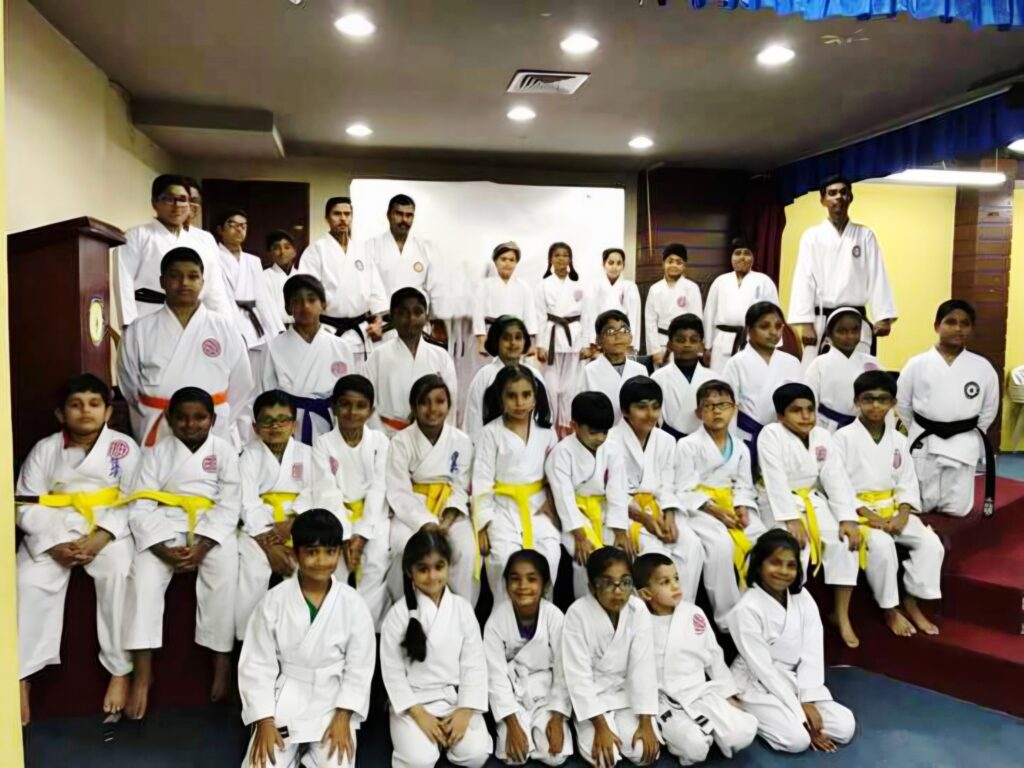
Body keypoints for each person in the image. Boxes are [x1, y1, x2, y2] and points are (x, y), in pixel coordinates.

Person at [15, 374, 141, 725]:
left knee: (119, 574)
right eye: (75, 405)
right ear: (61, 413)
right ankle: (21, 677)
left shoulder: (124, 447)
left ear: (108, 412)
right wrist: (55, 542)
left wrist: (103, 535)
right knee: (25, 581)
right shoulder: (45, 449)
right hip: (55, 528)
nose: (85, 411)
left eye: (94, 404)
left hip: (107, 529)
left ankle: (119, 670)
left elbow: (135, 500)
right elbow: (24, 504)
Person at [122, 387, 241, 719]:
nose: (191, 424)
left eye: (199, 417)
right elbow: (141, 505)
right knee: (142, 577)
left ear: (212, 420)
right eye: (183, 418)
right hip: (165, 523)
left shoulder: (225, 451)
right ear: (169, 420)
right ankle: (142, 673)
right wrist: (162, 548)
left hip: (210, 524)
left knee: (226, 570)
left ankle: (221, 661)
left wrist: (203, 545)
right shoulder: (155, 454)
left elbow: (230, 505)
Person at [238, 509, 376, 768]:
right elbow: (257, 664)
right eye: (312, 552)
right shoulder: (274, 601)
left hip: (333, 701)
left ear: (339, 553)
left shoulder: (353, 603)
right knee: (260, 765)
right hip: (286, 698)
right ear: (296, 552)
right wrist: (264, 721)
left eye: (330, 552)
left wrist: (344, 714)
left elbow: (360, 666)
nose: (321, 561)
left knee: (338, 763)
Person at [835, 371, 944, 638]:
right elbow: (837, 484)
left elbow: (907, 481)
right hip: (860, 512)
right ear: (856, 401)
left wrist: (903, 514)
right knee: (883, 547)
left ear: (893, 403)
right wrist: (870, 516)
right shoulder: (842, 438)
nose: (875, 406)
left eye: (882, 400)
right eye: (868, 399)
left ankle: (911, 601)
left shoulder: (899, 440)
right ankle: (890, 608)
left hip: (893, 509)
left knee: (932, 545)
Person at [727, 530, 857, 753]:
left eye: (791, 565)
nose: (783, 571)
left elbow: (812, 653)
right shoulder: (745, 609)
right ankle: (742, 708)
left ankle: (790, 716)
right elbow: (764, 670)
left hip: (791, 679)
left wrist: (807, 700)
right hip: (755, 682)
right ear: (759, 564)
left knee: (845, 726)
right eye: (775, 563)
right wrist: (801, 716)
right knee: (797, 740)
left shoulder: (803, 598)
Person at [757, 383, 864, 648]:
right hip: (778, 503)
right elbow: (774, 479)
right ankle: (789, 620)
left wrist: (847, 518)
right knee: (794, 548)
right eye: (796, 411)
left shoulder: (822, 436)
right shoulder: (770, 434)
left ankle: (841, 614)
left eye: (809, 409)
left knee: (846, 543)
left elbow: (835, 478)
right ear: (781, 416)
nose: (805, 416)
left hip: (812, 500)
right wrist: (790, 518)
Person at [117, 247, 254, 450]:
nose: (184, 283)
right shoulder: (139, 329)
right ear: (162, 282)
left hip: (212, 427)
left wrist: (215, 416)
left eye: (192, 276)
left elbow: (242, 384)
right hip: (158, 427)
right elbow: (129, 385)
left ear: (202, 282)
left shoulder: (224, 327)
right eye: (175, 276)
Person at [380, 528, 493, 768]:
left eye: (439, 567)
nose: (432, 576)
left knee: (476, 754)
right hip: (414, 703)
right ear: (410, 572)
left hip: (454, 699)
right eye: (423, 569)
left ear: (448, 566)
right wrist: (419, 714)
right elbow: (392, 673)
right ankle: (425, 740)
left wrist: (465, 710)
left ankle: (449, 737)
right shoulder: (398, 616)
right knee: (419, 761)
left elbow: (474, 664)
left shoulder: (462, 609)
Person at [633, 553, 758, 764]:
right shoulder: (639, 623)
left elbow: (714, 656)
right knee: (695, 747)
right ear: (646, 594)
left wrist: (728, 694)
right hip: (666, 701)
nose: (675, 586)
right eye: (665, 582)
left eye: (676, 578)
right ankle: (687, 734)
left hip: (701, 693)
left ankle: (709, 729)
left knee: (743, 732)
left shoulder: (694, 613)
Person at [675, 380, 767, 631]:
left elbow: (745, 486)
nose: (717, 411)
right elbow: (683, 489)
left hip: (732, 505)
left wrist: (742, 507)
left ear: (734, 409)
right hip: (701, 509)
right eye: (709, 406)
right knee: (720, 545)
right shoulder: (687, 445)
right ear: (699, 413)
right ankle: (727, 617)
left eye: (723, 405)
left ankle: (757, 607)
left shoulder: (741, 447)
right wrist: (715, 510)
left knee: (761, 538)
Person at [898, 299, 1000, 518]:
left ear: (971, 329)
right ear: (937, 326)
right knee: (921, 505)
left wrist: (970, 433)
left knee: (957, 510)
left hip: (963, 439)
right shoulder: (916, 364)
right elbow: (902, 403)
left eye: (965, 323)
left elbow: (989, 408)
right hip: (925, 438)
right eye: (951, 322)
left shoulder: (982, 367)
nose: (958, 328)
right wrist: (919, 427)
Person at [608, 376, 704, 603]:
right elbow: (610, 490)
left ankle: (682, 607)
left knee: (692, 545)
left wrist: (669, 515)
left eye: (655, 407)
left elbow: (668, 484)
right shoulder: (610, 440)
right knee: (654, 553)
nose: (650, 414)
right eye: (642, 407)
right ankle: (651, 609)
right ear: (625, 411)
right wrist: (644, 518)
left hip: (658, 507)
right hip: (625, 511)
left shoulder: (666, 440)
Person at [561, 547, 660, 767]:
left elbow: (643, 668)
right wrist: (601, 727)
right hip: (592, 698)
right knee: (606, 759)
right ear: (592, 587)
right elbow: (578, 677)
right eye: (607, 583)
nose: (618, 591)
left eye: (625, 582)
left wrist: (646, 722)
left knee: (644, 753)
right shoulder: (577, 614)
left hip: (625, 695)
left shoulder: (638, 610)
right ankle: (587, 727)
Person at [385, 375, 477, 604]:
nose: (433, 409)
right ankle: (407, 608)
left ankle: (461, 610)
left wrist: (446, 521)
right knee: (401, 547)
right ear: (413, 407)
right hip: (412, 510)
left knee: (465, 550)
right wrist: (426, 523)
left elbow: (461, 486)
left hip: (450, 510)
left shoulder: (461, 441)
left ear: (449, 404)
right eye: (424, 402)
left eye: (439, 401)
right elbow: (399, 490)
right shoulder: (400, 441)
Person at [788, 175, 897, 362]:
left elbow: (877, 275)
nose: (838, 197)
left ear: (850, 198)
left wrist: (883, 316)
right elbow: (803, 279)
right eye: (832, 193)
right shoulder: (812, 236)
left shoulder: (865, 235)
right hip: (821, 321)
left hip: (855, 319)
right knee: (815, 371)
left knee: (858, 371)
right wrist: (805, 323)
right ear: (823, 200)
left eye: (843, 192)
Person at [474, 366, 560, 601]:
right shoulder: (490, 433)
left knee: (550, 555)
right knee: (502, 559)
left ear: (535, 396)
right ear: (500, 398)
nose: (519, 402)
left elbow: (556, 474)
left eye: (526, 395)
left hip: (539, 506)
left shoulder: (547, 433)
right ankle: (504, 615)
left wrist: (552, 501)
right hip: (502, 508)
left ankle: (542, 614)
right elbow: (481, 480)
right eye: (511, 396)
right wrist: (482, 525)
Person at [312, 375, 391, 628]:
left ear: (371, 411)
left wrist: (362, 536)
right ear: (333, 407)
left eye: (360, 406)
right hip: (337, 518)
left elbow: (379, 488)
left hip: (373, 517)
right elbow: (327, 491)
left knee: (377, 560)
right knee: (337, 566)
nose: (352, 412)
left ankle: (366, 629)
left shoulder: (380, 442)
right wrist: (346, 536)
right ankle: (336, 626)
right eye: (345, 404)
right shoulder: (323, 443)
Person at [235, 390, 313, 642]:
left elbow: (316, 492)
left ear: (294, 425)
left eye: (282, 420)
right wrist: (269, 543)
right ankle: (248, 639)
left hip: (299, 522)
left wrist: (294, 523)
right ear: (255, 427)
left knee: (310, 565)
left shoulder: (308, 454)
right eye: (267, 421)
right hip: (259, 528)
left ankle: (308, 638)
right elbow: (247, 502)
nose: (275, 426)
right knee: (252, 568)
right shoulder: (248, 456)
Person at [483, 550, 573, 766]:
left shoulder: (554, 617)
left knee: (556, 757)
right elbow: (495, 676)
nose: (523, 586)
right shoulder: (496, 621)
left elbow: (564, 670)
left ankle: (542, 729)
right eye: (515, 579)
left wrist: (557, 717)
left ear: (545, 585)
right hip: (513, 697)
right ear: (506, 584)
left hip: (546, 697)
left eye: (532, 579)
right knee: (514, 757)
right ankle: (517, 728)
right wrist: (512, 724)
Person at [115, 174, 232, 327]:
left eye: (183, 199)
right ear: (154, 202)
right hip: (149, 317)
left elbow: (215, 291)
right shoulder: (136, 236)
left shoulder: (203, 242)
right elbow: (123, 285)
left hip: (195, 322)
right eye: (169, 199)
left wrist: (225, 327)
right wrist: (129, 327)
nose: (177, 205)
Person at [545, 392, 629, 598]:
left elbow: (618, 491)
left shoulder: (612, 449)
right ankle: (587, 605)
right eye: (593, 432)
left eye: (605, 432)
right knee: (586, 558)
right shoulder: (562, 453)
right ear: (574, 425)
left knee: (620, 556)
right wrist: (580, 535)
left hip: (604, 512)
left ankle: (617, 603)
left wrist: (620, 531)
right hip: (576, 515)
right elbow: (563, 496)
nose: (600, 438)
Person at [253, 274, 355, 445]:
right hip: (287, 428)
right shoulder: (272, 347)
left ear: (323, 304)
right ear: (288, 308)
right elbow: (265, 397)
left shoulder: (341, 347)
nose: (305, 306)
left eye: (311, 300)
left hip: (330, 426)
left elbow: (349, 397)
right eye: (297, 301)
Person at [361, 287, 459, 437]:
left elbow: (450, 404)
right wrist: (380, 440)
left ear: (426, 318)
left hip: (432, 436)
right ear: (392, 318)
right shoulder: (378, 356)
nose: (411, 318)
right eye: (403, 313)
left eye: (417, 312)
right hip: (389, 436)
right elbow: (366, 403)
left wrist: (441, 439)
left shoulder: (441, 357)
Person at [297, 196, 386, 359]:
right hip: (327, 330)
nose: (343, 219)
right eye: (337, 214)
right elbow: (306, 293)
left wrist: (378, 321)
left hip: (361, 331)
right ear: (327, 218)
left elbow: (376, 291)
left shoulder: (363, 250)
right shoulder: (316, 250)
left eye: (347, 214)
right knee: (330, 373)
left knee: (361, 373)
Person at [721, 301, 803, 471]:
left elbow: (801, 403)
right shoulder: (736, 363)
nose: (773, 332)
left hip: (782, 438)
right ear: (749, 329)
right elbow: (728, 407)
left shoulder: (792, 362)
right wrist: (731, 445)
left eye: (778, 326)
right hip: (746, 437)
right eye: (765, 326)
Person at [463, 315, 546, 443]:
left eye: (518, 338)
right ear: (496, 341)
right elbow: (473, 421)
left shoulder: (534, 375)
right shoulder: (485, 376)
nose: (513, 343)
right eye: (506, 338)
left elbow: (543, 416)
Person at [535, 242, 589, 435]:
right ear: (550, 259)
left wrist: (586, 343)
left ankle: (567, 428)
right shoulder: (543, 285)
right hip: (551, 338)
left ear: (570, 259)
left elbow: (586, 316)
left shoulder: (578, 285)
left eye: (565, 255)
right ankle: (549, 427)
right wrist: (539, 345)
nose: (561, 259)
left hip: (574, 337)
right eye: (557, 255)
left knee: (571, 387)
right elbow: (539, 315)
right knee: (551, 387)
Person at [703, 237, 780, 371]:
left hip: (753, 341)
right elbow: (709, 314)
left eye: (747, 253)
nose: (742, 257)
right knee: (720, 379)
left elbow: (774, 316)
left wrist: (772, 346)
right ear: (731, 257)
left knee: (750, 378)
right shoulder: (720, 281)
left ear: (753, 257)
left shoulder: (764, 281)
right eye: (737, 253)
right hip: (722, 342)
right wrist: (707, 346)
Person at [805, 307, 884, 432]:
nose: (850, 336)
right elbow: (808, 403)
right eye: (842, 331)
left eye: (855, 330)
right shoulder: (818, 364)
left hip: (864, 430)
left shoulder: (872, 363)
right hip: (827, 429)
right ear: (829, 334)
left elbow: (884, 401)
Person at [214, 208, 284, 350]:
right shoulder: (213, 258)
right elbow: (217, 299)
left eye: (243, 226)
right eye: (233, 225)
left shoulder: (253, 261)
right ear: (220, 230)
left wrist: (276, 329)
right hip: (227, 319)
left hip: (255, 323)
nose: (239, 229)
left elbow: (263, 298)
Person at [365, 193, 441, 311]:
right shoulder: (371, 247)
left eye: (409, 215)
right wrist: (378, 314)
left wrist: (432, 316)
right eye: (399, 214)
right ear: (388, 215)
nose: (404, 220)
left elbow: (435, 289)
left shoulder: (426, 248)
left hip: (418, 316)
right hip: (383, 316)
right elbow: (367, 288)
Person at [650, 313, 718, 440]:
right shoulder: (657, 378)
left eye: (693, 340)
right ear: (669, 345)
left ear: (701, 346)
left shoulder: (714, 379)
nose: (687, 344)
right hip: (669, 442)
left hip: (705, 442)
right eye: (680, 340)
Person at [472, 242, 538, 358]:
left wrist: (531, 343)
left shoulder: (524, 287)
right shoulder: (484, 285)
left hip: (515, 334)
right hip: (492, 333)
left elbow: (530, 314)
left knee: (513, 366)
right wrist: (481, 339)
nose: (507, 263)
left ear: (516, 263)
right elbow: (478, 313)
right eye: (503, 259)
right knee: (492, 366)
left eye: (512, 260)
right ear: (495, 261)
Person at [581, 310, 647, 424]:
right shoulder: (588, 372)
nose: (618, 336)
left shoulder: (640, 370)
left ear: (630, 337)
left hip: (634, 431)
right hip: (602, 431)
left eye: (624, 330)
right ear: (598, 340)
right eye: (610, 331)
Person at [643, 243, 703, 365]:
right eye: (670, 261)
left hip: (685, 342)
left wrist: (696, 347)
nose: (674, 265)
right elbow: (650, 322)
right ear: (663, 264)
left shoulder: (692, 288)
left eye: (679, 262)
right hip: (661, 342)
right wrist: (654, 351)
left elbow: (697, 320)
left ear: (684, 265)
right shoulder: (655, 289)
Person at [582, 247, 641, 349]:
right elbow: (589, 316)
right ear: (603, 264)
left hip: (621, 337)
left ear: (623, 266)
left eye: (619, 263)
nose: (615, 267)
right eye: (611, 263)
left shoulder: (630, 287)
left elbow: (634, 317)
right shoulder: (594, 287)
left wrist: (631, 344)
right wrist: (592, 342)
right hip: (600, 336)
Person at [263, 229, 298, 325]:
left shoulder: (303, 276)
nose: (282, 252)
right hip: (273, 328)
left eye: (287, 247)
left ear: (294, 252)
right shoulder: (262, 277)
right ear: (269, 253)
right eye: (276, 248)